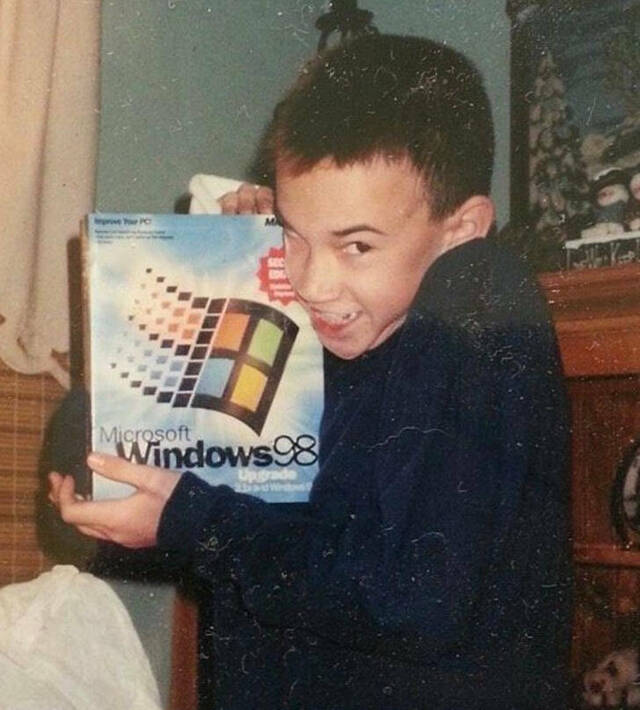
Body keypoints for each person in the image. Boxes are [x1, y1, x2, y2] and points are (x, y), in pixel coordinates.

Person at [49, 34, 571, 709]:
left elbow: (411, 598)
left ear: (462, 229)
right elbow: (167, 490)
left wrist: (195, 519)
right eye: (293, 234)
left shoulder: (479, 296)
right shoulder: (339, 334)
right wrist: (234, 269)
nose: (312, 282)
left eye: (356, 245)